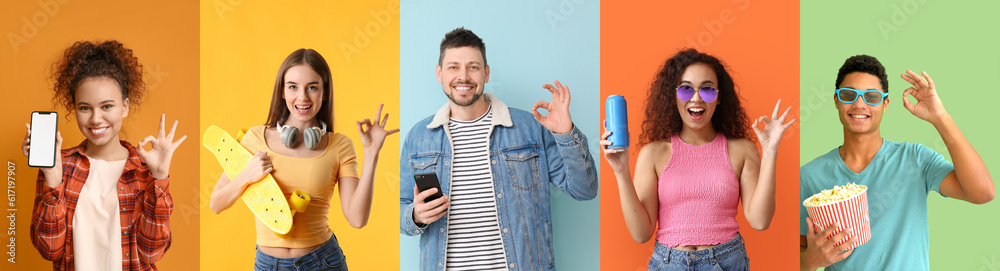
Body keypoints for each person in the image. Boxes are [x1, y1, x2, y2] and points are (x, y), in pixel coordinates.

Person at [398, 27, 598, 270]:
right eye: (453, 67)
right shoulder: (419, 137)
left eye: (473, 67)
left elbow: (584, 189)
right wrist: (416, 216)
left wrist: (566, 133)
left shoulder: (528, 128)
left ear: (486, 73)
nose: (463, 76)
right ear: (439, 73)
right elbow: (401, 211)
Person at [601, 48, 795, 270]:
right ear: (673, 95)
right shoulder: (653, 154)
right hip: (669, 263)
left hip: (726, 261)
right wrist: (620, 170)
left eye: (707, 89)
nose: (696, 98)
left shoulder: (742, 150)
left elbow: (760, 221)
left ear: (719, 96)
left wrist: (770, 152)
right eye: (685, 89)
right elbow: (641, 234)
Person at [799, 55, 994, 271]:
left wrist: (940, 117)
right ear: (836, 100)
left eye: (871, 97)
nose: (859, 103)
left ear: (885, 104)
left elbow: (983, 192)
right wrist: (809, 262)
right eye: (848, 95)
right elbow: (797, 254)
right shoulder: (809, 176)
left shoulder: (915, 159)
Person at [209, 48, 397, 271]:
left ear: (324, 93)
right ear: (282, 92)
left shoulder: (340, 145)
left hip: (323, 262)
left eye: (312, 87)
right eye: (293, 87)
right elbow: (216, 203)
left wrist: (372, 154)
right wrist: (246, 177)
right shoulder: (255, 138)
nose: (302, 97)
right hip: (268, 265)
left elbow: (357, 219)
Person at [22, 40, 184, 270]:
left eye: (107, 106)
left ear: (125, 107)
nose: (96, 118)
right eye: (85, 108)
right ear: (75, 109)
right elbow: (50, 249)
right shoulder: (60, 165)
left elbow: (153, 252)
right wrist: (53, 179)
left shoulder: (143, 169)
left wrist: (159, 177)